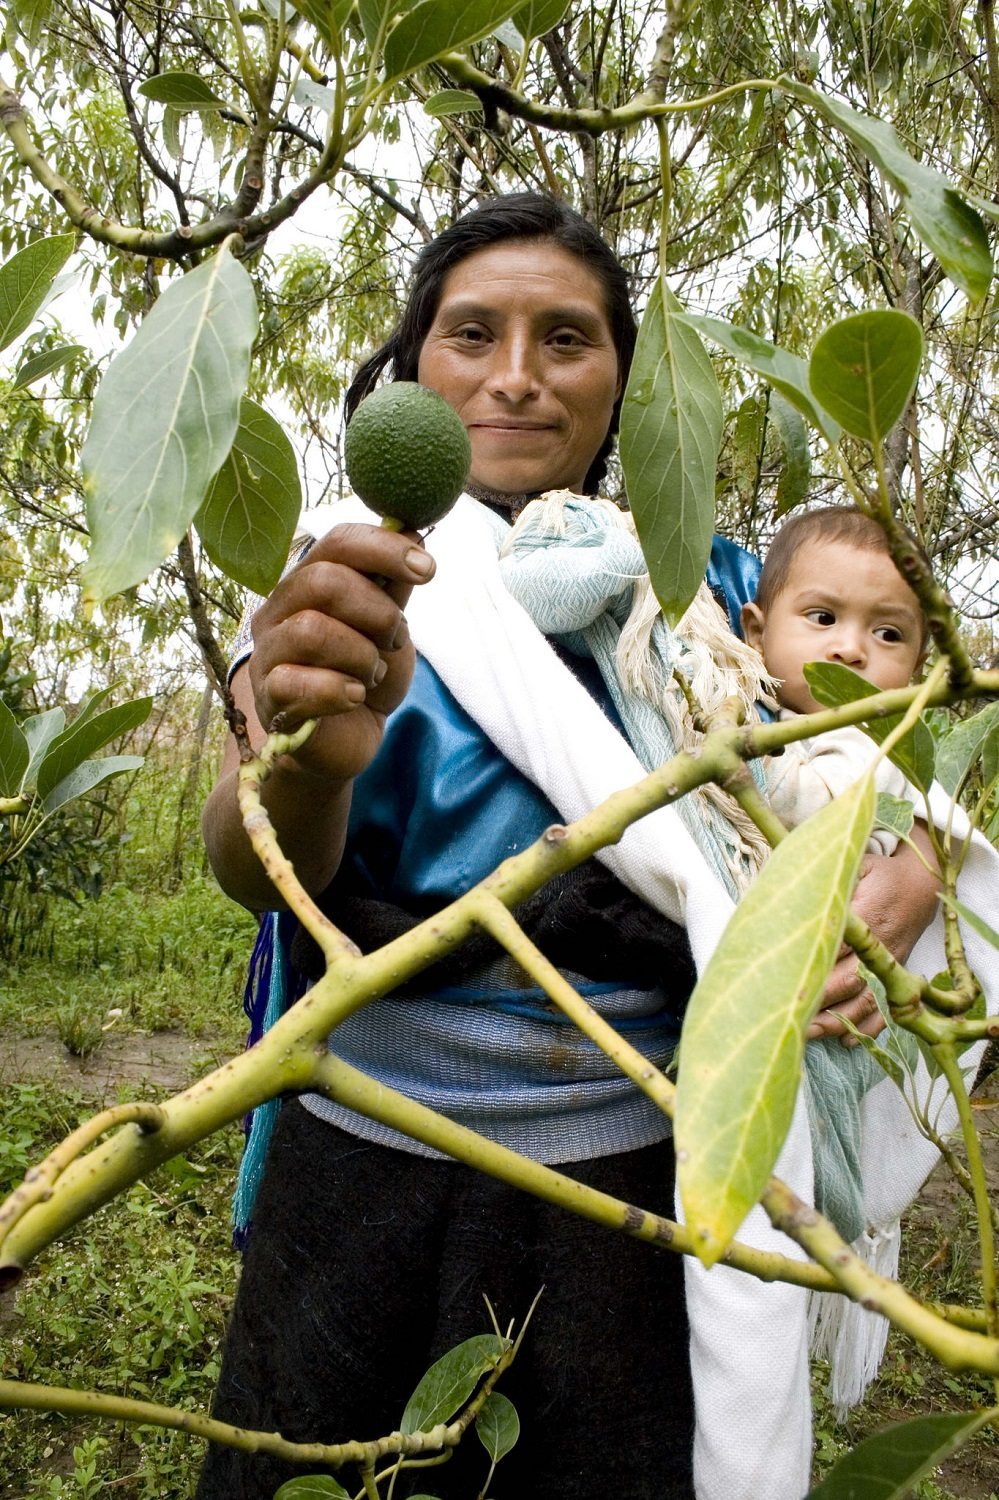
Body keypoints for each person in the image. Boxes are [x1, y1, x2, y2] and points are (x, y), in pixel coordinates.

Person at [198, 193, 942, 1500]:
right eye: (471, 332)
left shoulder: (713, 599)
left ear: (625, 385)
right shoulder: (345, 584)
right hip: (358, 1168)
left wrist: (899, 869)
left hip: (627, 1186)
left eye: (567, 339)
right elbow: (251, 862)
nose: (514, 377)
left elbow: (875, 762)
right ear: (412, 367)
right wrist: (308, 754)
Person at [741, 505, 928, 850]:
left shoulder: (873, 745)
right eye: (824, 618)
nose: (850, 649)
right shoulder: (763, 707)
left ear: (914, 670)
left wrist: (745, 760)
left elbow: (819, 813)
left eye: (887, 634)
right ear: (757, 633)